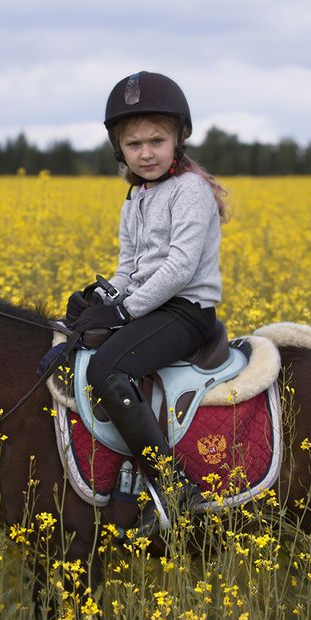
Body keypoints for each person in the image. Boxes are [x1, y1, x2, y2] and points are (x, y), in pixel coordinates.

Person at [65, 71, 229, 535]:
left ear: (179, 139)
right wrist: (101, 296)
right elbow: (128, 267)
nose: (147, 153)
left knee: (107, 370)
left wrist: (123, 311)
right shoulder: (135, 196)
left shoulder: (190, 190)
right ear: (121, 151)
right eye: (134, 145)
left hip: (185, 311)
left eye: (157, 141)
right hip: (149, 306)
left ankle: (174, 489)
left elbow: (179, 267)